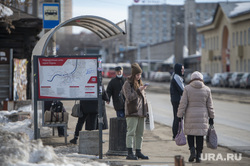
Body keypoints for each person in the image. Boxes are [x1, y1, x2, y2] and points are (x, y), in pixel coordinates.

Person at [177, 71, 215, 163]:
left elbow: (183, 103)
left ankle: (192, 150)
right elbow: (210, 105)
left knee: (190, 134)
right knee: (200, 136)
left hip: (190, 115)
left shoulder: (187, 88)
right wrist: (212, 117)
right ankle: (198, 155)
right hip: (202, 116)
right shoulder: (207, 89)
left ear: (191, 78)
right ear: (201, 79)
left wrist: (179, 115)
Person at [122, 63, 149, 160]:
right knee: (131, 132)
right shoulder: (127, 83)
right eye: (137, 75)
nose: (139, 76)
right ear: (133, 74)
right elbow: (128, 97)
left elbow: (144, 99)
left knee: (140, 133)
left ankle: (138, 151)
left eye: (140, 75)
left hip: (141, 113)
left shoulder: (140, 83)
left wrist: (146, 111)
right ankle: (129, 153)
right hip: (132, 112)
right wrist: (138, 91)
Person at [170, 63, 185, 140]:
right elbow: (182, 90)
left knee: (178, 117)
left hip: (176, 100)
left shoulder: (177, 77)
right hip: (177, 100)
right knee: (177, 117)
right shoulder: (176, 77)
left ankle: (177, 134)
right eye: (182, 69)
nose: (183, 70)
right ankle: (175, 134)